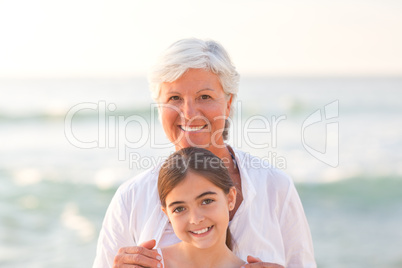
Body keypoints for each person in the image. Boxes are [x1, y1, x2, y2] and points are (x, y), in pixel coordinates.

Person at [93, 38, 316, 268]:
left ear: (228, 103)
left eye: (205, 97)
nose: (189, 113)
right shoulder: (131, 198)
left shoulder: (275, 187)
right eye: (174, 98)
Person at [157, 147, 245, 268]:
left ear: (230, 198)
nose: (195, 219)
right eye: (179, 209)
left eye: (207, 201)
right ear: (167, 214)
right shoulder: (147, 264)